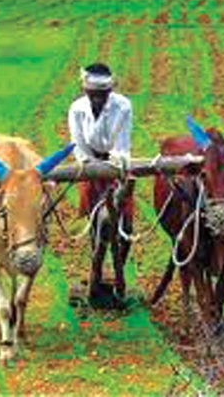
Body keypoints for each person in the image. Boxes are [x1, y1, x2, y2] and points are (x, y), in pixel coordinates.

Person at [68, 62, 134, 301]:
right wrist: (88, 164)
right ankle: (95, 272)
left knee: (125, 226)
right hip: (89, 166)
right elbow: (78, 145)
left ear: (110, 91)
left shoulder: (123, 105)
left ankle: (118, 273)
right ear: (86, 91)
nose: (98, 99)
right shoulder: (76, 109)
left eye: (103, 94)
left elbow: (122, 144)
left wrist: (116, 163)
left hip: (117, 165)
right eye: (93, 94)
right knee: (95, 224)